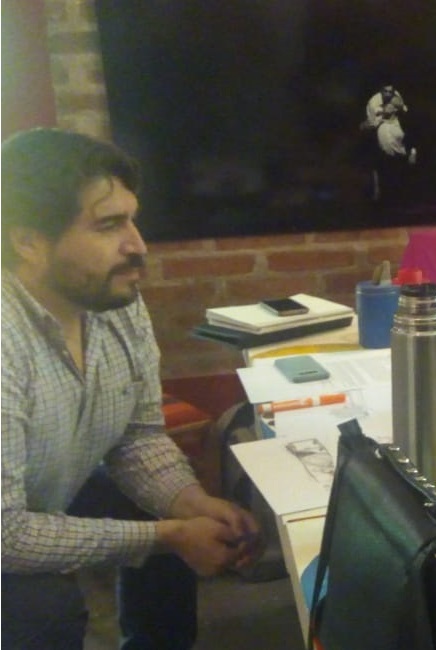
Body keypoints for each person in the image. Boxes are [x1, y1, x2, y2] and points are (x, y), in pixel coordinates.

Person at [1, 128, 260, 649]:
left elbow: (137, 438)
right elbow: (6, 535)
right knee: (43, 609)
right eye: (108, 225)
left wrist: (189, 504)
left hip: (41, 496)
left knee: (163, 510)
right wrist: (168, 536)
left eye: (132, 219)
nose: (137, 245)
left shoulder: (112, 299)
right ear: (28, 242)